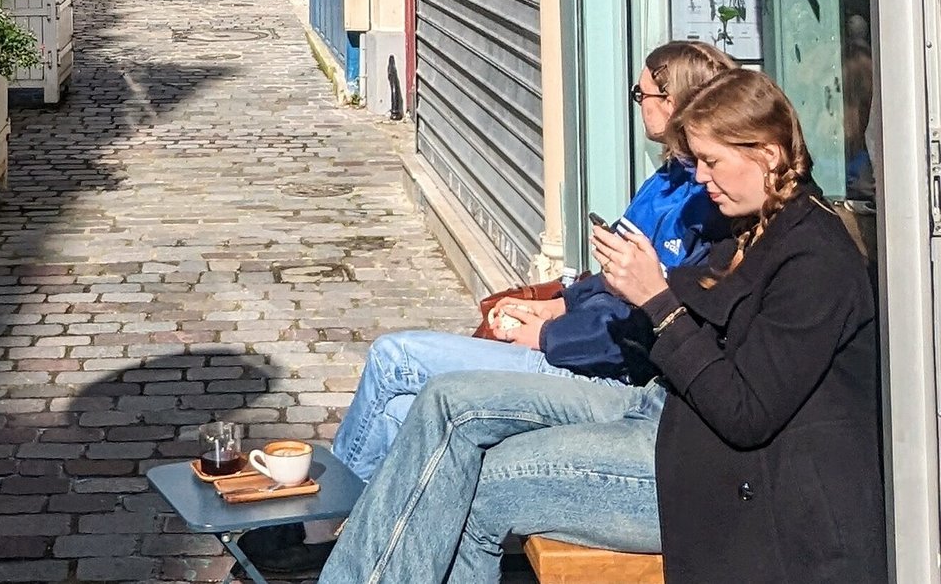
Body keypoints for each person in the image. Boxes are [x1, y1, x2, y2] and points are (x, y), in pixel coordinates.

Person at [316, 68, 885, 584]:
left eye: (712, 162)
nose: (702, 179)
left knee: (485, 485)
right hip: (664, 411)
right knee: (446, 398)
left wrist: (657, 299)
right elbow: (680, 317)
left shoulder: (815, 258)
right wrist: (611, 294)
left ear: (766, 153)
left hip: (725, 472)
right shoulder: (750, 224)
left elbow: (745, 412)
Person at [241, 42, 733, 575]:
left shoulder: (706, 209)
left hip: (605, 377)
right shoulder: (665, 182)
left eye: (644, 93)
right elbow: (610, 287)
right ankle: (349, 539)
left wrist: (547, 336)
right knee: (403, 413)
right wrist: (550, 308)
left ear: (682, 102)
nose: (637, 102)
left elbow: (641, 326)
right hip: (584, 346)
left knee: (395, 360)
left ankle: (323, 530)